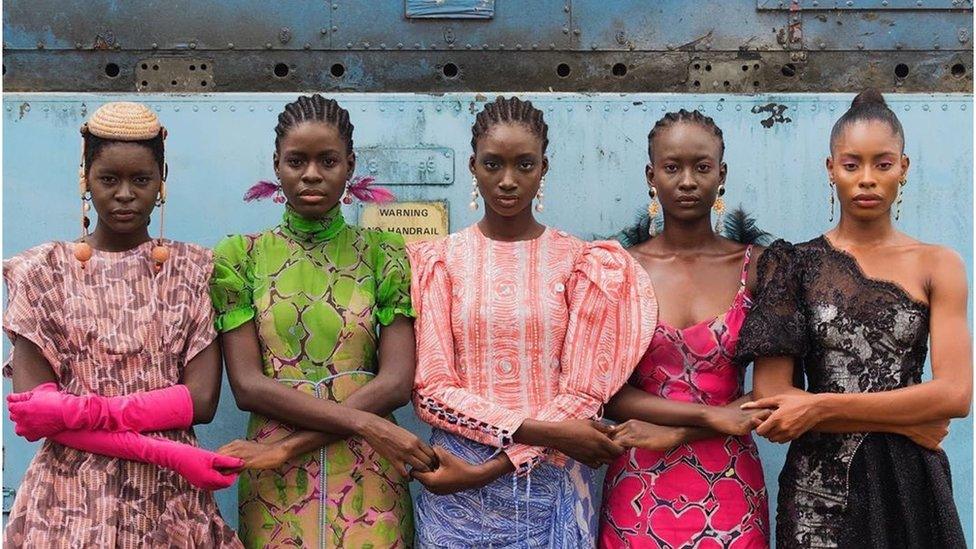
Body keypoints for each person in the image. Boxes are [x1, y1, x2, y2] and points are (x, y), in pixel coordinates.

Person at [408, 96, 657, 547]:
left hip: (553, 481)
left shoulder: (584, 263)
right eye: (493, 164)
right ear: (473, 166)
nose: (508, 181)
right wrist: (540, 433)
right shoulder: (439, 261)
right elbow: (432, 389)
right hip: (454, 481)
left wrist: (494, 467)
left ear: (544, 168)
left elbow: (583, 392)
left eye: (524, 165)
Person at [736, 89, 970, 548]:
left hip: (910, 482)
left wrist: (819, 405)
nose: (867, 179)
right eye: (851, 165)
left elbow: (956, 395)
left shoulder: (938, 264)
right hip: (820, 492)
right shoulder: (793, 264)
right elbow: (772, 401)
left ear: (904, 167)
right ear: (830, 170)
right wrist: (905, 420)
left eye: (882, 164)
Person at [4, 101, 242, 547]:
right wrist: (161, 446)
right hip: (68, 500)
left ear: (162, 181)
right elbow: (36, 416)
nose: (125, 194)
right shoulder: (42, 272)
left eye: (141, 179)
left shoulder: (195, 270)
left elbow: (202, 401)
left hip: (168, 496)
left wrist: (83, 409)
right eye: (108, 179)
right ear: (85, 179)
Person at [211, 94, 433, 548]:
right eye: (297, 161)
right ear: (277, 165)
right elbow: (248, 386)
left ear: (349, 165)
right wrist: (367, 423)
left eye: (327, 160)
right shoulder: (240, 256)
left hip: (368, 472)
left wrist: (290, 447)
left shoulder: (384, 252)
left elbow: (395, 382)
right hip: (277, 478)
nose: (311, 174)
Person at [600, 109, 771, 548]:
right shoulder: (621, 268)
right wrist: (710, 414)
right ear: (651, 174)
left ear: (722, 173)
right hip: (639, 483)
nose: (688, 181)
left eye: (702, 166)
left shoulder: (759, 268)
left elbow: (775, 394)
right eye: (672, 167)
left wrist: (678, 432)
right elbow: (609, 393)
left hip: (731, 486)